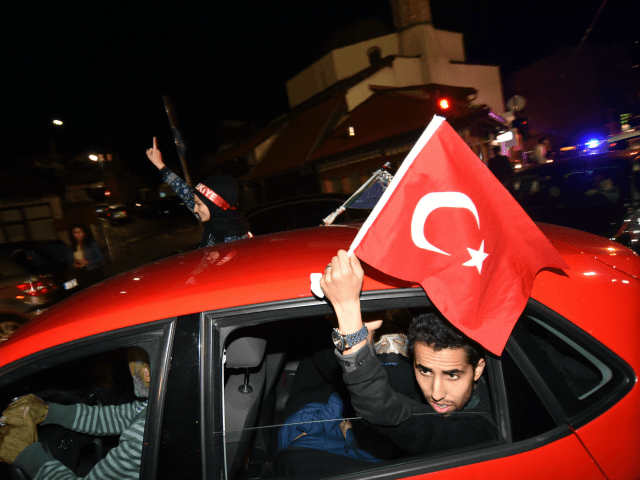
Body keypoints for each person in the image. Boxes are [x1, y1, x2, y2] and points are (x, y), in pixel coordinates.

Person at [318, 250, 497, 455]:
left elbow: (382, 409)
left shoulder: (483, 426)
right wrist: (366, 335)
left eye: (452, 375)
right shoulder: (410, 380)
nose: (436, 394)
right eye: (425, 371)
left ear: (478, 369)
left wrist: (347, 308)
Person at [0, 349, 150, 479]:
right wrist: (50, 412)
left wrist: (27, 455)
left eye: (133, 355)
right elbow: (123, 416)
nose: (129, 363)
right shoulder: (158, 403)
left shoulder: (144, 433)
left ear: (146, 371)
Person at [146, 137, 251, 247]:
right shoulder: (220, 222)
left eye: (199, 204)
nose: (195, 209)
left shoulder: (232, 240)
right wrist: (160, 165)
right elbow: (185, 192)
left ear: (215, 204)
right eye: (195, 203)